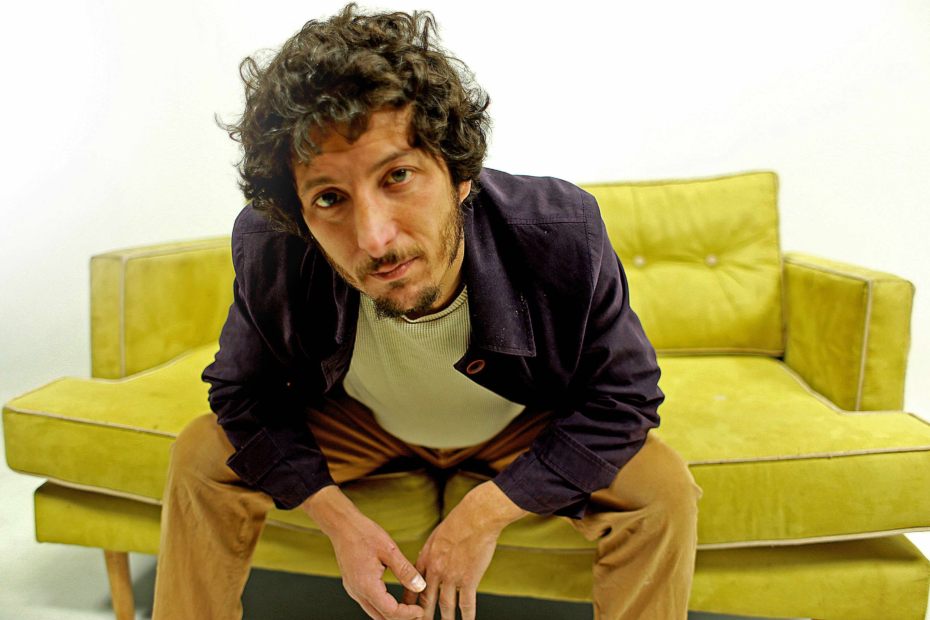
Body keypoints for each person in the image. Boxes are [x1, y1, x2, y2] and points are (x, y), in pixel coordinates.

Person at [151, 4, 703, 620]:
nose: (374, 239)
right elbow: (242, 396)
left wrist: (488, 511)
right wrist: (336, 518)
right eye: (329, 198)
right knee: (201, 454)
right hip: (362, 423)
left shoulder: (561, 231)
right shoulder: (273, 248)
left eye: (398, 176)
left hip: (517, 422)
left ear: (460, 175)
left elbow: (625, 398)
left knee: (661, 489)